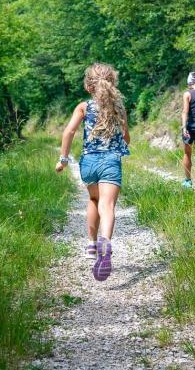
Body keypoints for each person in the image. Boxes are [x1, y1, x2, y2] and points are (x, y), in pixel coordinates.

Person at [56, 63, 130, 282]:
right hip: (110, 161)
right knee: (107, 205)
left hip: (88, 162)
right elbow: (126, 137)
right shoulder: (119, 108)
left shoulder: (84, 107)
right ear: (112, 83)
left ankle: (91, 244)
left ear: (89, 87)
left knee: (93, 199)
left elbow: (69, 132)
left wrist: (63, 159)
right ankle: (104, 240)